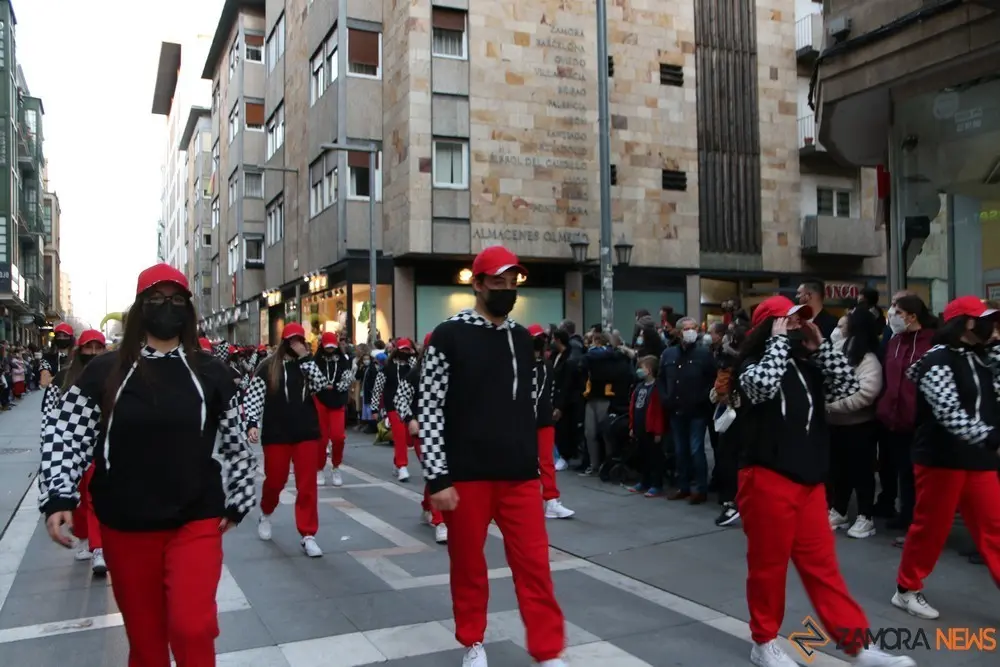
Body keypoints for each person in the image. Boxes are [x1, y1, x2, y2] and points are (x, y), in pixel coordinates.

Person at [38, 263, 257, 667]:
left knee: (193, 627)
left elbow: (234, 438)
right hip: (126, 524)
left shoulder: (211, 371)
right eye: (156, 299)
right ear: (140, 308)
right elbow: (66, 437)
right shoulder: (105, 372)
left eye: (176, 300)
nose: (166, 307)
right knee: (147, 643)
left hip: (195, 519)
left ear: (188, 310)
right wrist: (59, 495)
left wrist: (241, 495)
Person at [735, 295, 914, 667]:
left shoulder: (809, 366)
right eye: (790, 321)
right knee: (768, 567)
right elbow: (763, 386)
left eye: (801, 319)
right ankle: (763, 642)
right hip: (767, 478)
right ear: (771, 327)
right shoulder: (752, 365)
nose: (799, 325)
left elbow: (848, 387)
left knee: (824, 567)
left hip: (810, 482)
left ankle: (856, 644)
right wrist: (778, 342)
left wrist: (821, 349)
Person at [418, 245, 566, 667]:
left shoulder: (521, 338)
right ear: (478, 284)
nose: (505, 289)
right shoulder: (449, 334)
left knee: (535, 565)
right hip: (466, 476)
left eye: (511, 282)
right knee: (468, 566)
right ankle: (473, 642)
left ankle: (547, 650)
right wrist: (438, 477)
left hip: (518, 474)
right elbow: (429, 407)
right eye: (496, 282)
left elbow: (528, 405)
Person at [892, 296, 1000, 620]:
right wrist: (992, 439)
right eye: (986, 320)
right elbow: (948, 413)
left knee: (994, 527)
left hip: (978, 459)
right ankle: (906, 589)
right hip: (941, 459)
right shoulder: (936, 360)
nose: (992, 326)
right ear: (967, 323)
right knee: (931, 528)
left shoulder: (983, 357)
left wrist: (994, 350)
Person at [245, 323, 328, 557]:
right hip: (277, 433)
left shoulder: (308, 366)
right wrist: (252, 424)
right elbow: (253, 398)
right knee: (275, 480)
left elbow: (321, 387)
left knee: (307, 485)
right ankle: (266, 511)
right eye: (291, 341)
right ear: (284, 342)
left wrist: (305, 359)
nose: (295, 345)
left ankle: (308, 534)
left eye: (299, 340)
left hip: (306, 432)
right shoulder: (267, 367)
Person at [40, 328, 108, 573]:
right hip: (73, 449)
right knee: (79, 501)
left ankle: (98, 547)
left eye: (98, 347)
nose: (93, 352)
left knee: (94, 499)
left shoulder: (114, 375)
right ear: (79, 350)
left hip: (102, 448)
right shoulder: (63, 379)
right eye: (88, 348)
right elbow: (50, 419)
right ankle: (86, 538)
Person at [874, 295, 936, 531]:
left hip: (919, 419)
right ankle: (907, 515)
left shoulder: (931, 341)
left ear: (912, 316)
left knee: (919, 474)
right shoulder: (894, 341)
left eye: (897, 312)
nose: (892, 315)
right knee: (903, 472)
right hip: (894, 418)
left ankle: (921, 521)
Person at [827, 307, 883, 539]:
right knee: (837, 471)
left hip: (859, 426)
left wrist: (832, 405)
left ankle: (865, 516)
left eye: (842, 326)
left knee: (861, 472)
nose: (837, 331)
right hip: (835, 425)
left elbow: (866, 393)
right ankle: (839, 510)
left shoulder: (868, 360)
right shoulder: (836, 351)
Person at [395, 333, 448, 544]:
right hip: (424, 431)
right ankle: (440, 521)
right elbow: (399, 399)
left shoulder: (449, 374)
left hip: (445, 430)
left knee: (438, 471)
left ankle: (428, 506)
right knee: (435, 471)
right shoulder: (414, 375)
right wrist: (410, 419)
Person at [659, 317, 716, 503]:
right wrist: (666, 398)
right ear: (678, 331)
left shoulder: (703, 354)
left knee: (696, 449)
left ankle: (700, 489)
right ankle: (683, 486)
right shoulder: (669, 354)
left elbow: (712, 379)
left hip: (697, 410)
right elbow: (662, 378)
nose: (690, 331)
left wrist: (703, 398)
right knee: (680, 450)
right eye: (686, 328)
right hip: (676, 409)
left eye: (693, 328)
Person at [527, 324, 575, 519]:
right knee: (525, 462)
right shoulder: (521, 365)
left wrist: (555, 406)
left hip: (543, 418)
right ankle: (530, 501)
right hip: (525, 420)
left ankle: (551, 500)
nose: (542, 341)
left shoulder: (546, 365)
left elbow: (550, 390)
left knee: (547, 461)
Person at [372, 338, 417, 481]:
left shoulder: (414, 366)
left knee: (410, 438)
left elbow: (421, 378)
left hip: (411, 407)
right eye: (402, 349)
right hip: (393, 406)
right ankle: (402, 465)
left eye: (407, 350)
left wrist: (413, 361)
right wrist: (374, 408)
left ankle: (397, 462)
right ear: (396, 350)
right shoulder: (387, 367)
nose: (404, 352)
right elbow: (377, 388)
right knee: (399, 435)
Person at [314, 332, 354, 488]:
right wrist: (324, 386)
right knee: (321, 439)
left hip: (338, 401)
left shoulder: (344, 360)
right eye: (327, 347)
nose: (330, 350)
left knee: (338, 437)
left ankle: (336, 466)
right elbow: (312, 378)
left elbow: (348, 378)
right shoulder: (316, 360)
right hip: (320, 401)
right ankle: (319, 468)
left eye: (332, 347)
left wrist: (335, 386)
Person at [627, 355, 667, 496]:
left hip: (651, 428)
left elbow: (658, 412)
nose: (639, 370)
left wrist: (658, 431)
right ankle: (644, 481)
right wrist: (632, 426)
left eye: (641, 368)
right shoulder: (639, 386)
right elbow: (633, 406)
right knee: (642, 456)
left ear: (649, 370)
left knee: (654, 457)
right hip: (640, 426)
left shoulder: (656, 388)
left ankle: (656, 484)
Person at [40, 322, 75, 388]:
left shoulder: (78, 357)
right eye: (59, 336)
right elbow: (44, 382)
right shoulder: (47, 357)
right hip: (53, 395)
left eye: (65, 336)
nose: (62, 339)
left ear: (71, 338)